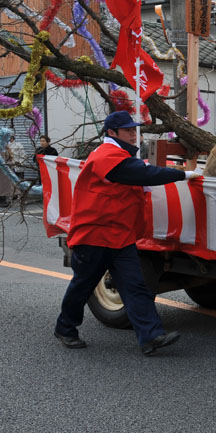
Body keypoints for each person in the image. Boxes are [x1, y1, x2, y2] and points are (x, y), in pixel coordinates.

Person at [54, 111, 202, 355]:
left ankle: (151, 337)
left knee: (136, 287)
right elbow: (145, 174)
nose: (134, 134)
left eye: (134, 130)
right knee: (83, 285)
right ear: (112, 133)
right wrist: (183, 174)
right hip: (94, 237)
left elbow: (138, 175)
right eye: (128, 130)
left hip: (119, 237)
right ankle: (65, 328)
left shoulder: (118, 156)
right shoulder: (105, 155)